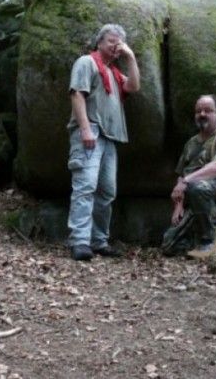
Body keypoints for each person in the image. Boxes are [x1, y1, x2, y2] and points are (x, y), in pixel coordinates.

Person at [66, 24, 140, 261]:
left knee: (107, 191)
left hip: (109, 137)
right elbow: (76, 93)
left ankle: (99, 241)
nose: (115, 45)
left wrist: (130, 57)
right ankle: (79, 241)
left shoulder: (114, 72)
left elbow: (134, 86)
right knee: (85, 186)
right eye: (111, 41)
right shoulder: (87, 62)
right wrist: (86, 129)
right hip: (91, 132)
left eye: (119, 42)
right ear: (99, 42)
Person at [162, 94, 216, 259]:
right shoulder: (191, 143)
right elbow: (181, 175)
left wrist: (186, 181)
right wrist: (178, 205)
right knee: (170, 245)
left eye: (208, 110)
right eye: (198, 111)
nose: (202, 114)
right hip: (198, 199)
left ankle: (208, 244)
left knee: (198, 186)